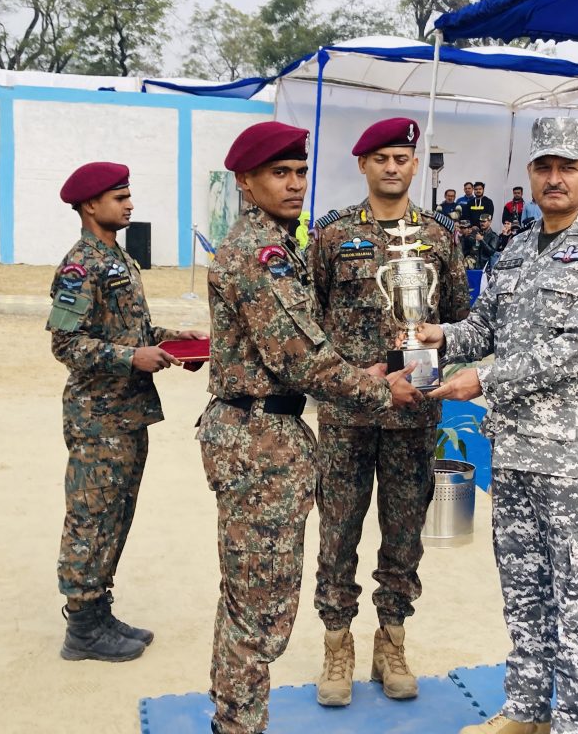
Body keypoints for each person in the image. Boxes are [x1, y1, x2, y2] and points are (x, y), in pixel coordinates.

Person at [417, 116, 578, 734]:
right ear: (530, 174)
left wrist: (484, 380)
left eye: (568, 166)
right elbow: (485, 329)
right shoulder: (515, 248)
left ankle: (573, 724)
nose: (555, 178)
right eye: (544, 166)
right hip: (512, 449)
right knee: (523, 591)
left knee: (576, 600)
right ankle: (525, 710)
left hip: (572, 455)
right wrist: (441, 336)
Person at [198, 121, 422, 734]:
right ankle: (238, 725)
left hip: (266, 431)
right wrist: (378, 385)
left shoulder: (276, 242)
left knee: (251, 596)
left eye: (300, 172)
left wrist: (361, 369)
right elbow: (302, 358)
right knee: (259, 607)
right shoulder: (260, 254)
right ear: (246, 182)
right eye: (279, 173)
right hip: (257, 440)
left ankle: (235, 719)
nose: (295, 184)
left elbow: (309, 347)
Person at [309, 117, 471, 707]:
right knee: (338, 531)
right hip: (347, 415)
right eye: (380, 157)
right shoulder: (330, 236)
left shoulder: (440, 235)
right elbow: (311, 319)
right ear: (363, 165)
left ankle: (392, 640)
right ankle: (336, 644)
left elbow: (457, 314)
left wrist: (438, 359)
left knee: (403, 534)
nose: (392, 167)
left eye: (402, 156)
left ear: (413, 162)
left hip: (415, 415)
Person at [48, 162, 207, 662]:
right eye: (119, 197)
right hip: (98, 417)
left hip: (127, 413)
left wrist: (165, 340)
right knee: (91, 516)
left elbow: (122, 328)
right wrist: (130, 357)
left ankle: (98, 608)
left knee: (117, 514)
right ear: (90, 205)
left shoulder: (118, 257)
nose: (129, 204)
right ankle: (82, 627)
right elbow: (65, 341)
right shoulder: (80, 265)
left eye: (129, 195)